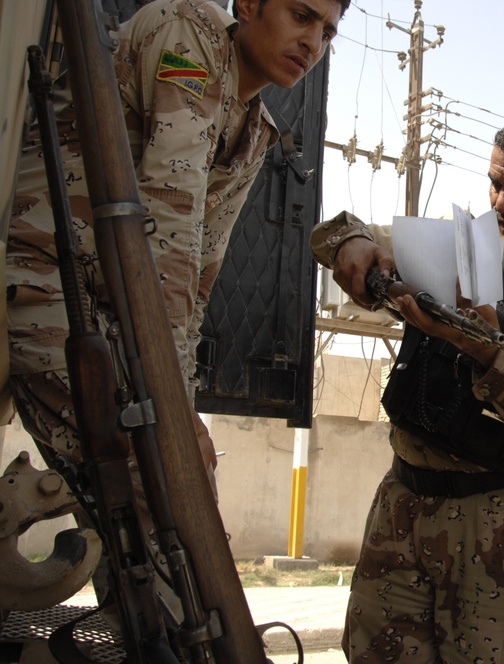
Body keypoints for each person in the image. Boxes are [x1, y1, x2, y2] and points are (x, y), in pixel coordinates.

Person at [5, 0, 348, 624]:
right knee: (153, 475)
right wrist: (165, 401)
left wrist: (180, 403)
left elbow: (195, 283)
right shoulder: (186, 30)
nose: (314, 41)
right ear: (248, 5)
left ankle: (161, 632)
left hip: (110, 318)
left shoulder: (256, 130)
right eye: (302, 15)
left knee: (182, 483)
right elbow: (169, 227)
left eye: (328, 31)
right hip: (45, 285)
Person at [310, 113, 504, 663]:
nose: (502, 202)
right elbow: (329, 231)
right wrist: (353, 243)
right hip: (402, 504)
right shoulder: (454, 247)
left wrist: (487, 346)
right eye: (495, 183)